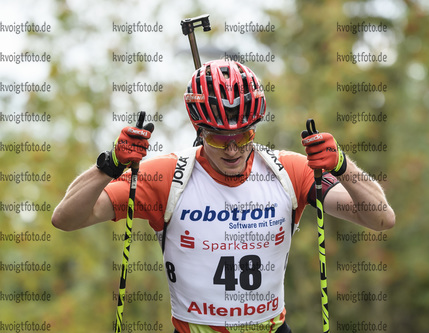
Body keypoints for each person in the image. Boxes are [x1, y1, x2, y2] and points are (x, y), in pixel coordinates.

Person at [52, 59, 395, 333]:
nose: (232, 150)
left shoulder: (288, 170)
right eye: (217, 139)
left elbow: (380, 218)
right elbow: (66, 219)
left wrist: (343, 165)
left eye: (244, 135)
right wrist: (108, 166)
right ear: (198, 130)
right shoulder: (166, 178)